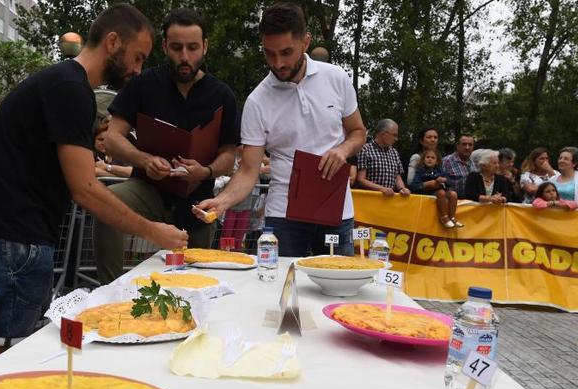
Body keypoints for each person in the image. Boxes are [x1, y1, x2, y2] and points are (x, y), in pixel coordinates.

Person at [0, 4, 187, 367]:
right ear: (113, 42)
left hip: (13, 236)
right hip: (14, 239)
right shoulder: (70, 88)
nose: (137, 69)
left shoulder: (62, 83)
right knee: (6, 347)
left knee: (7, 342)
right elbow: (85, 187)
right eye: (138, 57)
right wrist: (153, 231)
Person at [194, 2, 367, 256]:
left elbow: (358, 132)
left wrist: (343, 150)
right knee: (278, 288)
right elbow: (249, 170)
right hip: (283, 214)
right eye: (269, 53)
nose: (277, 63)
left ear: (305, 42)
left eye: (286, 52)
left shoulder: (337, 78)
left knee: (337, 288)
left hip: (336, 209)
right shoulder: (258, 100)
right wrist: (222, 201)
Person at [96, 8, 239, 284]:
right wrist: (144, 160)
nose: (184, 57)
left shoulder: (223, 95)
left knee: (197, 277)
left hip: (198, 198)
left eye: (192, 48)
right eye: (176, 48)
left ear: (205, 47)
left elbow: (229, 156)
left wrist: (206, 171)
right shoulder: (142, 84)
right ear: (164, 46)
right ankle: (111, 289)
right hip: (148, 187)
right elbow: (113, 138)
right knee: (106, 204)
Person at [355, 119, 410, 197]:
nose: (396, 139)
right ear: (384, 134)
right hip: (370, 199)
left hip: (389, 201)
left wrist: (402, 188)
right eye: (394, 135)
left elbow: (397, 177)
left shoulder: (394, 152)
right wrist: (381, 189)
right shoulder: (365, 149)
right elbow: (361, 179)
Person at [409, 149, 460, 228]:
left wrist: (444, 180)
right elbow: (413, 186)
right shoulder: (420, 171)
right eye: (427, 157)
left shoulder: (440, 171)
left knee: (453, 194)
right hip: (427, 193)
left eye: (433, 158)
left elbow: (451, 182)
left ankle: (452, 217)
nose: (430, 159)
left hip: (440, 192)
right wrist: (426, 184)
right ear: (423, 160)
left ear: (437, 161)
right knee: (441, 192)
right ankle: (444, 218)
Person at [442, 133, 476, 198]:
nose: (467, 147)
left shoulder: (474, 163)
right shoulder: (446, 161)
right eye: (464, 144)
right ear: (457, 146)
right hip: (451, 203)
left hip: (469, 204)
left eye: (470, 145)